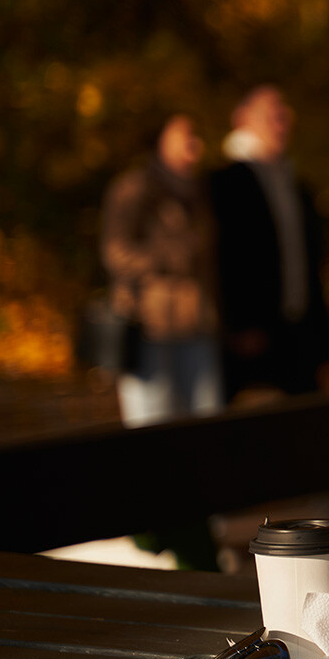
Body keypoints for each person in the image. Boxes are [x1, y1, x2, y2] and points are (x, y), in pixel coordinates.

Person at [209, 85, 329, 403]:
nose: (281, 124)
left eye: (284, 116)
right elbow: (225, 257)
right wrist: (241, 323)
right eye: (271, 116)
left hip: (297, 327)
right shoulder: (227, 181)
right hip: (253, 333)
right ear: (243, 119)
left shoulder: (292, 181)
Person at [101, 113, 222, 428]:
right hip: (149, 327)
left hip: (197, 325)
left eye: (196, 134)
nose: (195, 143)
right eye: (185, 134)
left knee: (206, 424)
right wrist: (164, 259)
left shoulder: (203, 192)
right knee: (152, 425)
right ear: (161, 141)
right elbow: (115, 253)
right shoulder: (135, 188)